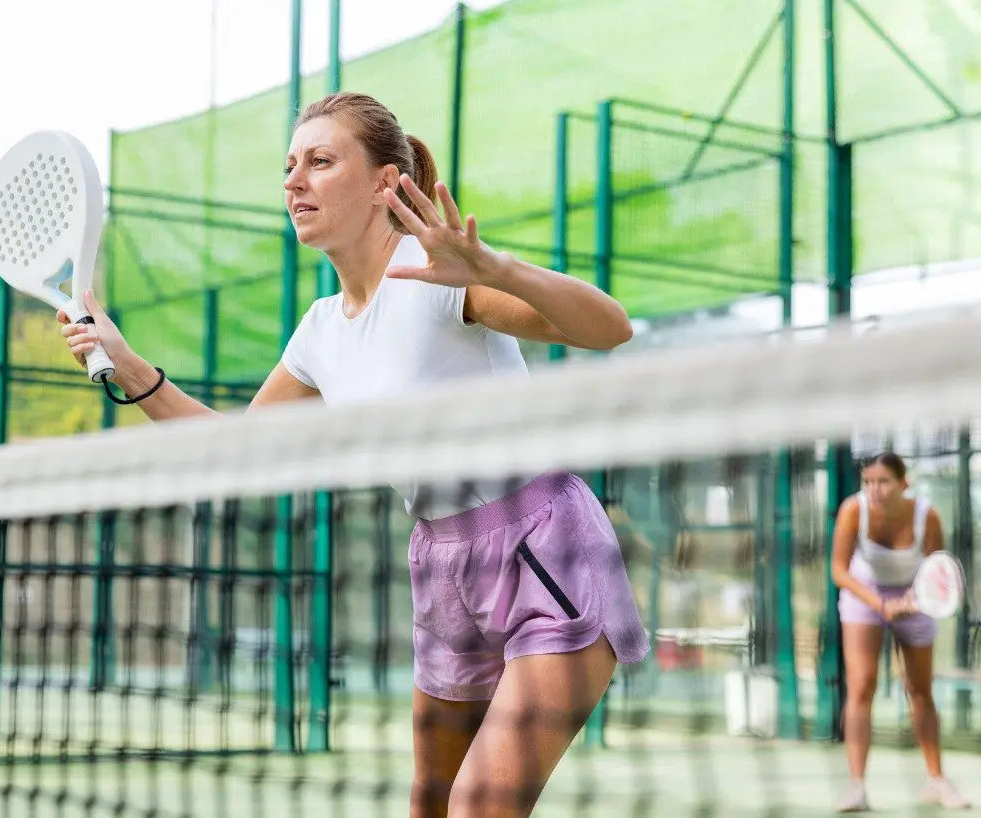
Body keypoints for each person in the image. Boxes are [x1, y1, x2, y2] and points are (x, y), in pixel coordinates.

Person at [59, 92, 650, 818]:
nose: (293, 181)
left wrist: (496, 269)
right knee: (429, 804)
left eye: (320, 161)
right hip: (441, 563)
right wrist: (126, 362)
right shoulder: (318, 332)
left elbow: (608, 328)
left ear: (382, 184)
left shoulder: (435, 276)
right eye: (288, 166)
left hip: (544, 549)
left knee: (480, 809)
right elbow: (234, 453)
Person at [830, 452, 970, 812]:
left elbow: (937, 570)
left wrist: (911, 600)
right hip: (864, 595)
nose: (874, 489)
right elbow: (839, 572)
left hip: (913, 598)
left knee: (920, 690)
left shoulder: (928, 516)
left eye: (883, 481)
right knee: (861, 685)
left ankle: (937, 780)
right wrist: (880, 604)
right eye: (868, 482)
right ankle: (857, 788)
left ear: (903, 484)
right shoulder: (852, 511)